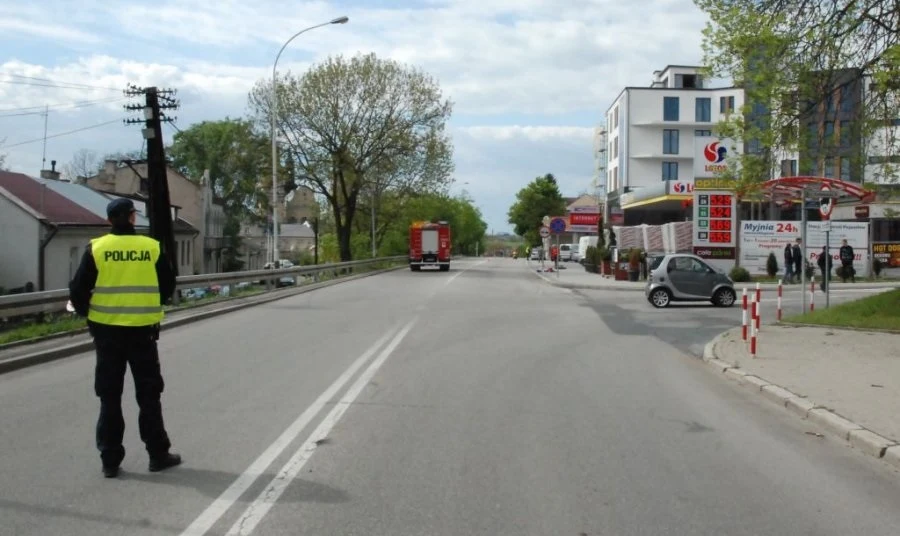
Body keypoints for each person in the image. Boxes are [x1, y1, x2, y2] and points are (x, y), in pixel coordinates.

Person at [68, 198, 182, 478]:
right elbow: (168, 284)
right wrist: (150, 303)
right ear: (132, 217)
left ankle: (110, 461)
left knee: (109, 397)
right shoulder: (150, 247)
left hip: (107, 334)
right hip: (143, 332)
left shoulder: (97, 248)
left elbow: (78, 290)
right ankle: (157, 454)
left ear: (109, 220)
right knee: (149, 395)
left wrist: (90, 316)